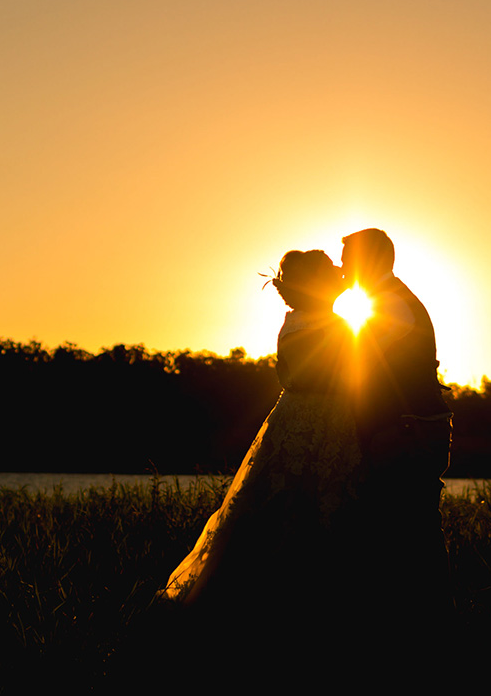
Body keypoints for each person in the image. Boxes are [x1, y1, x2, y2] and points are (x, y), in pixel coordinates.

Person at [160, 248, 364, 613]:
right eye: (329, 268)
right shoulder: (309, 323)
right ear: (316, 283)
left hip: (326, 419)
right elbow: (312, 375)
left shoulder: (317, 319)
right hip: (310, 422)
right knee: (288, 506)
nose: (339, 270)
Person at [342, 226, 454, 634]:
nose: (340, 267)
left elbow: (354, 363)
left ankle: (427, 632)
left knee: (409, 532)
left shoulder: (391, 305)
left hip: (407, 434)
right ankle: (419, 630)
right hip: (404, 430)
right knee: (404, 532)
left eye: (346, 260)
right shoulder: (385, 300)